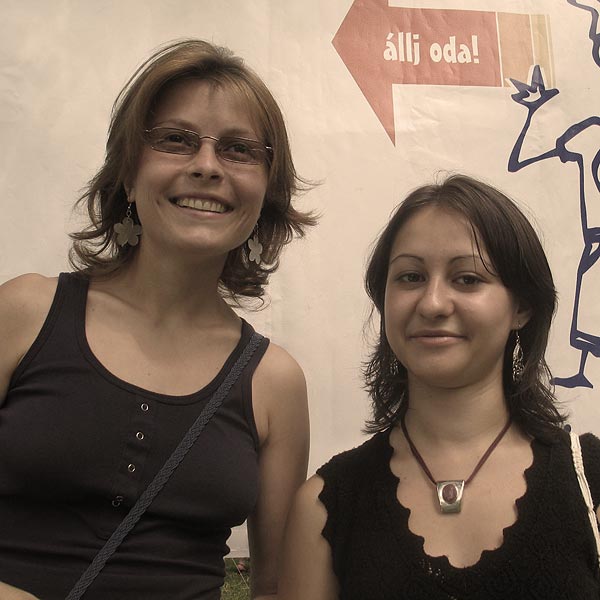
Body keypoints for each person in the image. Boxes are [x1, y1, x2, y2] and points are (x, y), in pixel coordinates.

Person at [0, 39, 314, 600]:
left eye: (239, 150)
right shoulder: (26, 313)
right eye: (175, 140)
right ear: (128, 172)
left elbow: (275, 590)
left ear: (267, 192)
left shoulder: (275, 383)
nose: (206, 166)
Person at [279, 174, 600, 599]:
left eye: (467, 279)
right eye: (410, 277)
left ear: (522, 306)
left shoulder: (589, 482)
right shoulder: (324, 507)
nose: (432, 303)